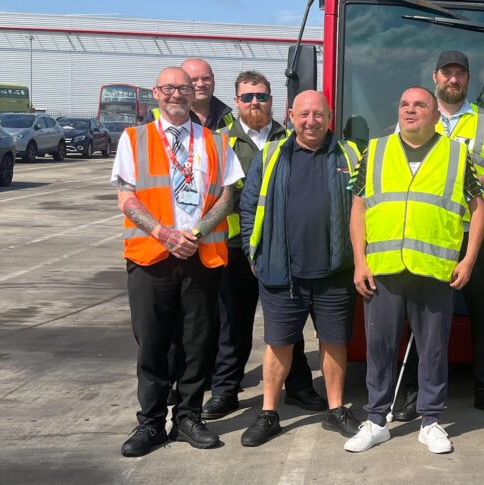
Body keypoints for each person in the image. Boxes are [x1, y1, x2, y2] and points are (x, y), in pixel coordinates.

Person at [345, 86, 484, 454]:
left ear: (436, 115)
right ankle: (376, 421)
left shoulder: (457, 155)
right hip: (384, 268)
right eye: (404, 104)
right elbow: (358, 208)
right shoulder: (374, 151)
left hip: (434, 271)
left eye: (420, 105)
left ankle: (430, 421)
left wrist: (468, 260)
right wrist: (359, 261)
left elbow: (478, 208)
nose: (411, 110)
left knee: (434, 349)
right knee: (379, 347)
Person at [114, 67, 241, 456]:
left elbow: (227, 196)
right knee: (152, 342)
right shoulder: (134, 138)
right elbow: (127, 196)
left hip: (201, 256)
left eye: (183, 88)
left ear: (193, 94)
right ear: (156, 92)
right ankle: (151, 423)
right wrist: (165, 234)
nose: (176, 94)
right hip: (151, 257)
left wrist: (197, 232)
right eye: (168, 88)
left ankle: (188, 417)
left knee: (197, 342)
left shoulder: (216, 142)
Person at [234, 90, 362, 446]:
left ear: (330, 116)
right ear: (291, 116)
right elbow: (249, 207)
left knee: (334, 342)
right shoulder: (272, 154)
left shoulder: (350, 155)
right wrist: (252, 252)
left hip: (335, 272)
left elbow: (366, 209)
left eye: (318, 114)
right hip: (281, 270)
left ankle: (336, 409)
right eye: (304, 114)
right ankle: (269, 413)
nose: (311, 121)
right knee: (278, 344)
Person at [394, 50, 484, 422]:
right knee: (420, 316)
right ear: (435, 77)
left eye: (459, 74)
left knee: (483, 313)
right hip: (428, 235)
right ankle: (415, 391)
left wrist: (475, 183)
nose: (453, 80)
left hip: (472, 232)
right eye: (447, 74)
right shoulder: (414, 117)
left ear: (467, 80)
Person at [201, 71, 326, 421]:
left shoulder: (292, 138)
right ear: (236, 101)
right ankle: (226, 391)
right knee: (233, 323)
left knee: (289, 324)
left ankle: (299, 387)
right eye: (247, 97)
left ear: (273, 101)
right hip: (235, 248)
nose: (255, 102)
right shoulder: (220, 141)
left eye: (261, 96)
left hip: (280, 247)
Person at [163, 58, 238, 405]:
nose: (200, 85)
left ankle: (210, 382)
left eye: (206, 78)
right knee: (174, 320)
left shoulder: (229, 117)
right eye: (193, 79)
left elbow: (230, 189)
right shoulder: (165, 122)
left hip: (219, 239)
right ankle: (173, 379)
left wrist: (201, 231)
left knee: (216, 317)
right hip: (169, 242)